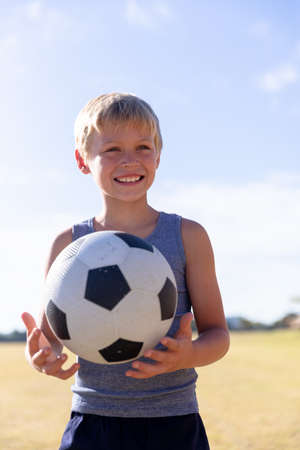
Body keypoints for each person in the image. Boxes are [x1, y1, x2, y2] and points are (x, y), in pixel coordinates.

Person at [22, 92, 230, 450]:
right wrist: (42, 357)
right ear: (83, 160)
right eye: (113, 149)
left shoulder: (188, 237)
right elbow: (49, 338)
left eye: (143, 147)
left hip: (174, 421)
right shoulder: (68, 245)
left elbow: (218, 335)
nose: (130, 160)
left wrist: (188, 355)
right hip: (93, 421)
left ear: (159, 156)